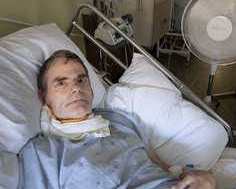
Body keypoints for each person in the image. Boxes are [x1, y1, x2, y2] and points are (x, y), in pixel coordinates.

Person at [18, 50, 216, 189]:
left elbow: (161, 166)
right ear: (43, 97)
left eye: (81, 80)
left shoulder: (119, 120)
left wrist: (202, 179)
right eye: (61, 83)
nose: (76, 87)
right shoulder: (41, 152)